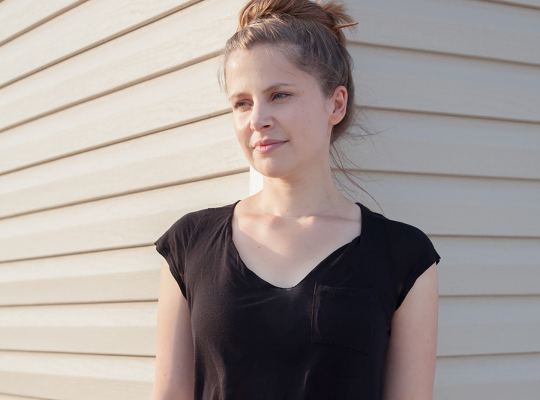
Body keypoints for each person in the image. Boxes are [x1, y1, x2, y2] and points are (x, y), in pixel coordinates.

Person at [151, 0, 440, 399]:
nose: (257, 119)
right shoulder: (190, 244)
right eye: (242, 103)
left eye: (280, 95)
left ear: (335, 104)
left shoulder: (404, 257)